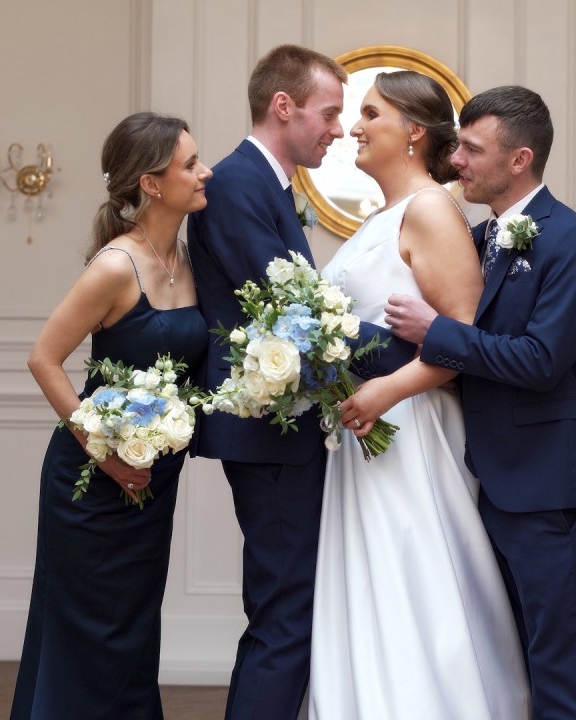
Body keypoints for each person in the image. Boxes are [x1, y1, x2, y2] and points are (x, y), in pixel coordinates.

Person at [347, 85, 576, 719]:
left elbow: (542, 362)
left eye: (471, 148)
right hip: (476, 477)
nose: (455, 159)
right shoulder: (473, 234)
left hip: (545, 481)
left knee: (561, 654)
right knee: (505, 653)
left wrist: (436, 333)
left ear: (520, 160)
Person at [187, 45, 416, 720]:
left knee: (290, 608)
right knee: (285, 615)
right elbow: (298, 317)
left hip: (281, 430)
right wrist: (424, 355)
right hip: (268, 432)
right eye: (329, 112)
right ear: (281, 107)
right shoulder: (236, 185)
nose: (340, 128)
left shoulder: (265, 187)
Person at [305, 70, 531, 720]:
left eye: (370, 113)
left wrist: (383, 393)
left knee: (413, 583)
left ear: (413, 131)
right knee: (371, 590)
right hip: (365, 430)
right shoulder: (382, 217)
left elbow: (459, 342)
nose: (355, 126)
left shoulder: (430, 208)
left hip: (407, 431)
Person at [10, 112, 211, 720]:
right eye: (190, 164)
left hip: (153, 477)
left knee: (132, 626)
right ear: (151, 183)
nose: (206, 174)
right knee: (85, 631)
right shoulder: (115, 267)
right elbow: (43, 358)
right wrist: (106, 452)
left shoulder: (191, 260)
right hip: (91, 481)